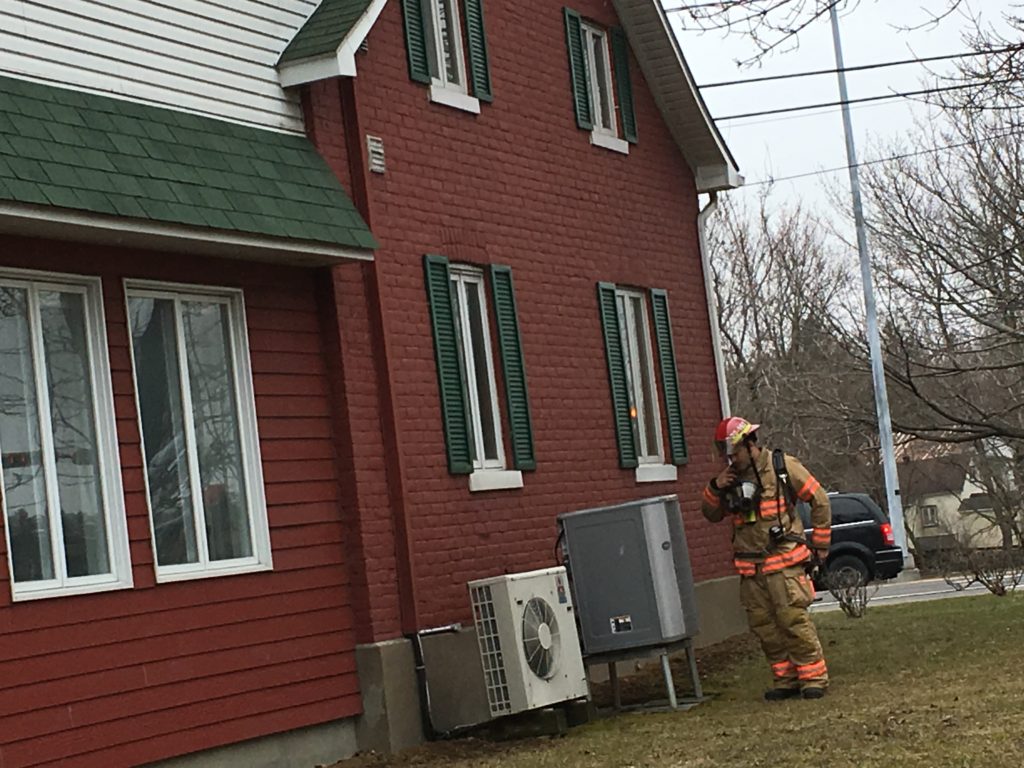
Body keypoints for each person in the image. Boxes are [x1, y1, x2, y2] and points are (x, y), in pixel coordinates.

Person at [701, 417, 832, 700]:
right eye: (728, 455)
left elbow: (819, 499)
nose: (732, 460)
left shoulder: (781, 466)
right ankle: (785, 680)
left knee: (793, 621)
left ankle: (813, 678)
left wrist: (821, 545)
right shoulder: (729, 479)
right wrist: (715, 487)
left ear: (750, 445)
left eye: (735, 453)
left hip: (783, 563)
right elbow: (710, 514)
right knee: (766, 629)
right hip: (751, 570)